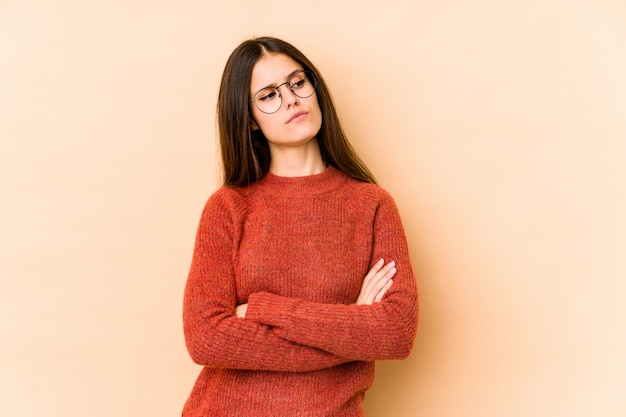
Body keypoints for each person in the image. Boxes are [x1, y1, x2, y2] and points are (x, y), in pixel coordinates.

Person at [182, 36, 419, 417]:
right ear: (250, 120)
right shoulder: (228, 207)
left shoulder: (372, 205)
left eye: (297, 82)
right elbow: (206, 339)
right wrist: (350, 327)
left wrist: (263, 309)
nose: (291, 99)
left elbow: (396, 331)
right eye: (269, 95)